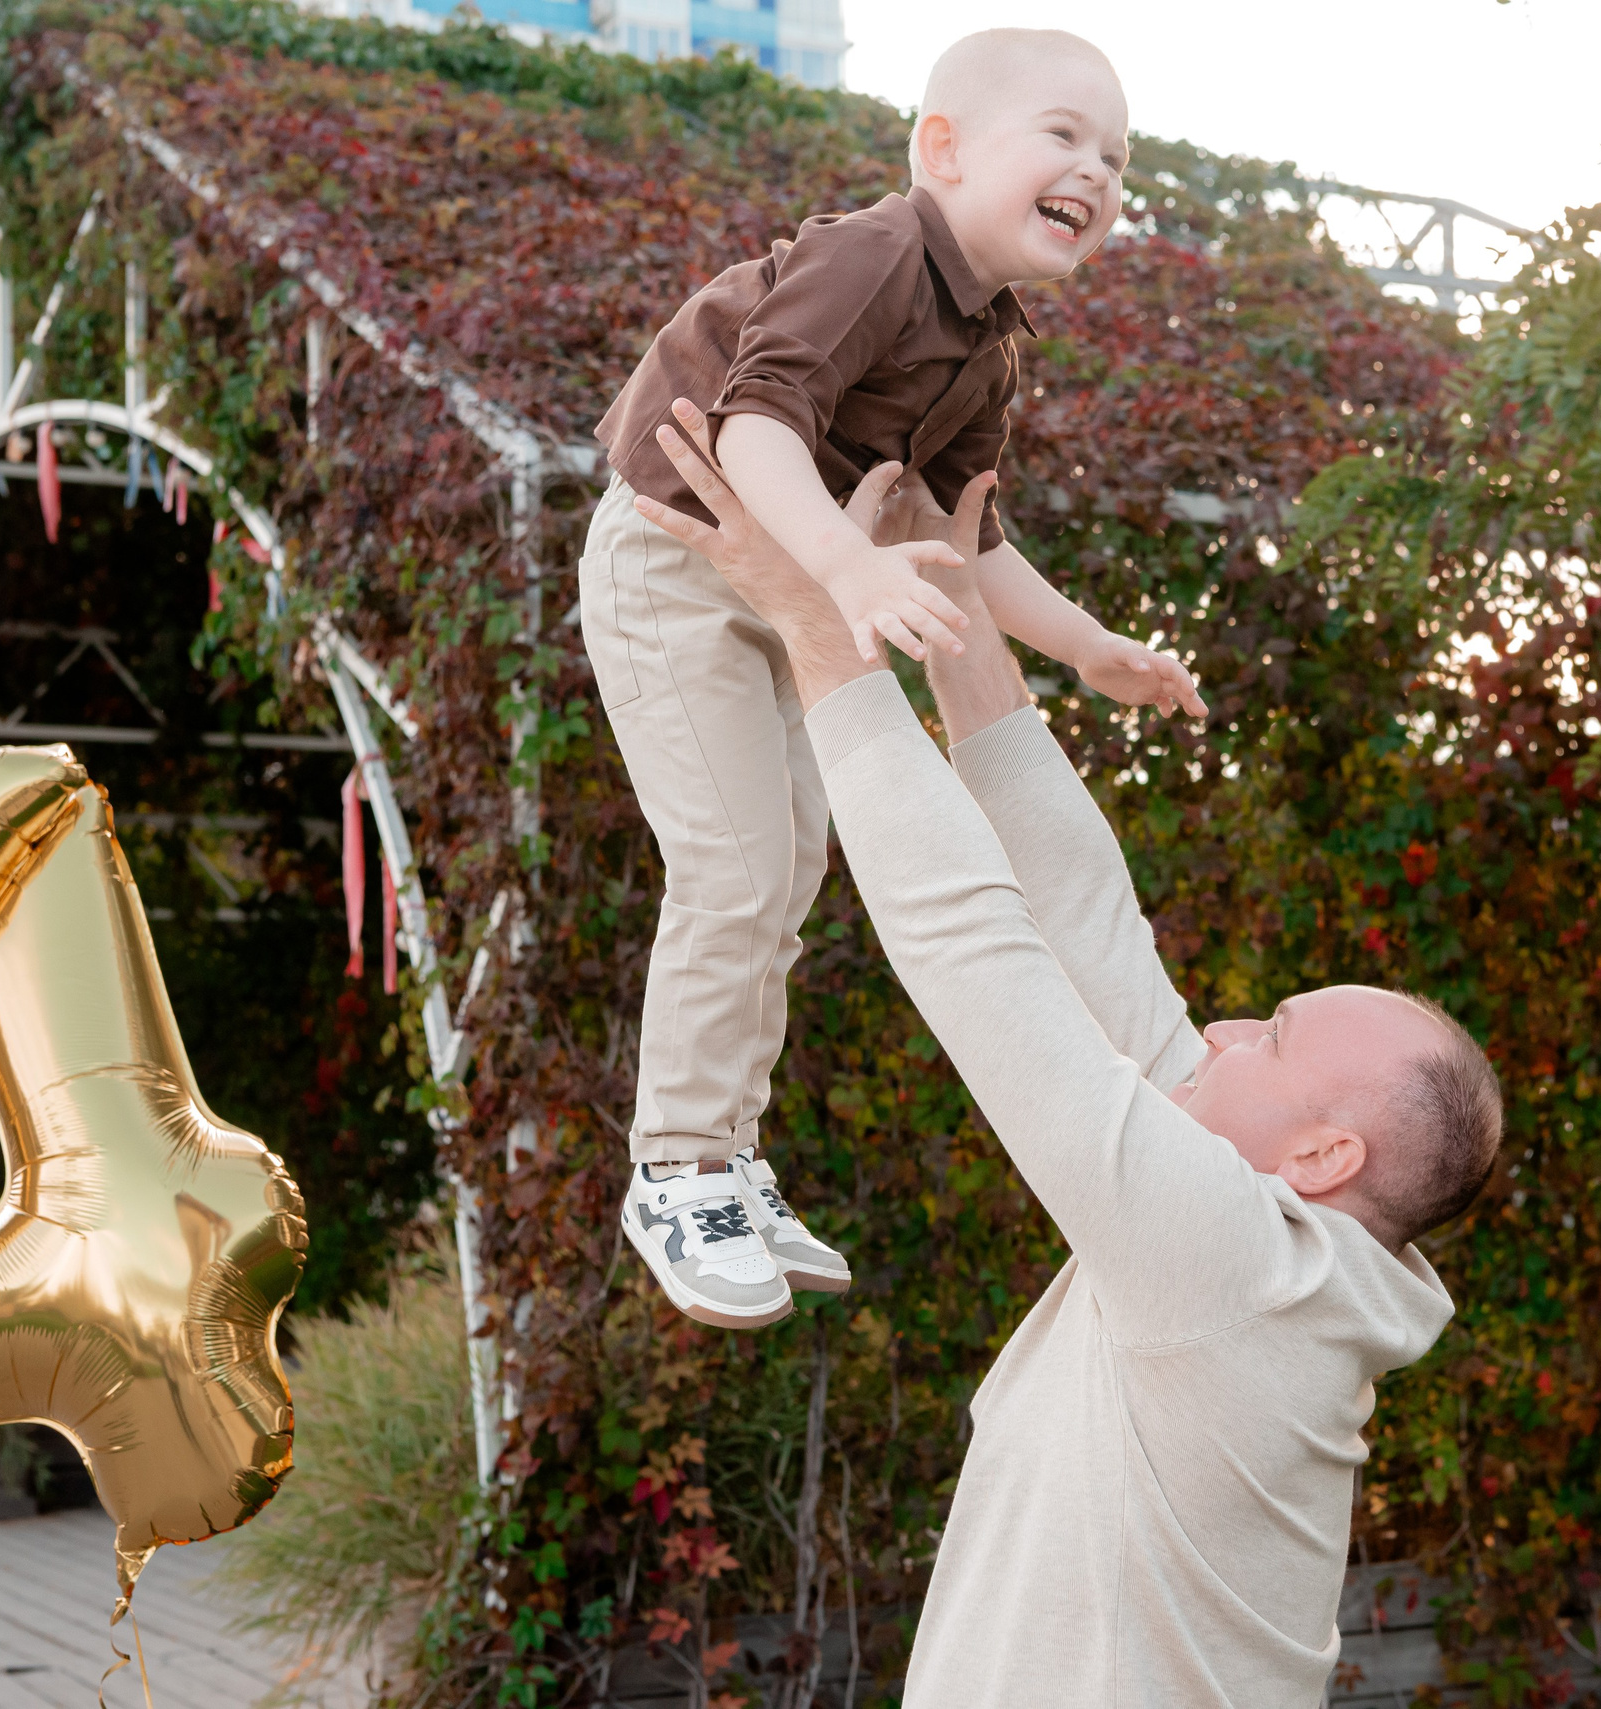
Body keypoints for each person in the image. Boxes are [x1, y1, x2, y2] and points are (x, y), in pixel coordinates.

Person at [628, 413, 1503, 1708]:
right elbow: (1087, 923)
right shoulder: (1274, 1243)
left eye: (1272, 1032)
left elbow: (979, 952)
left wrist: (817, 618)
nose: (1217, 1028)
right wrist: (956, 605)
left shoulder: (1233, 1261)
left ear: (1324, 1154)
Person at [583, 28, 1204, 1328]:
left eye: (1117, 155)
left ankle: (732, 1155)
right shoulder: (877, 252)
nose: (1096, 170)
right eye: (1065, 136)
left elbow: (964, 532)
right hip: (676, 559)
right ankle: (680, 1165)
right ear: (944, 150)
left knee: (788, 864)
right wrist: (846, 576)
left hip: (786, 576)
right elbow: (755, 422)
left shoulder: (988, 340)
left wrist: (1088, 646)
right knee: (737, 866)